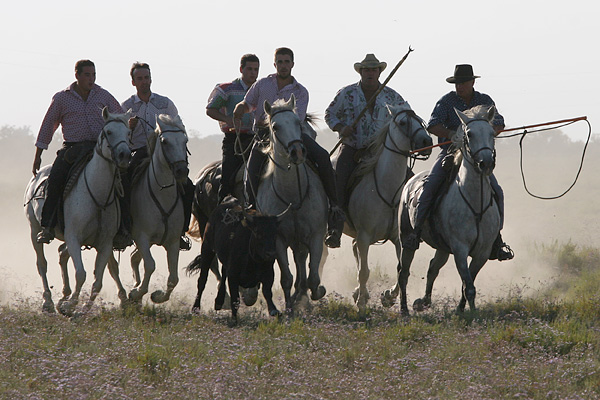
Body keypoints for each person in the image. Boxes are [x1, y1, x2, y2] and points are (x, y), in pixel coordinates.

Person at [232, 47, 345, 248]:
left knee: (322, 157)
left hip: (294, 134)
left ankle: (334, 209)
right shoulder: (261, 84)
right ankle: (252, 209)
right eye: (280, 62)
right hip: (266, 134)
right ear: (274, 64)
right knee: (252, 169)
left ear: (292, 64)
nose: (283, 65)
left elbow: (297, 118)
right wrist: (240, 109)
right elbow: (248, 103)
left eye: (287, 62)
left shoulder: (301, 91)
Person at [402, 64, 514, 261]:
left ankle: (496, 239)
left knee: (497, 191)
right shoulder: (446, 101)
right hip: (449, 152)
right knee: (431, 186)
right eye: (457, 83)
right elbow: (433, 125)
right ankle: (416, 231)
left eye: (463, 82)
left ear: (472, 82)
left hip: (476, 157)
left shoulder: (485, 101)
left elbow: (499, 123)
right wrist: (452, 134)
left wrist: (484, 136)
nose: (459, 86)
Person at [33, 59, 124, 245]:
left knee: (122, 180)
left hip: (98, 148)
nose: (91, 79)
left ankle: (123, 229)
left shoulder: (103, 95)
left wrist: (128, 122)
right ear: (77, 75)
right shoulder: (62, 98)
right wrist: (38, 154)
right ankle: (48, 226)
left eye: (94, 75)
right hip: (72, 149)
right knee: (56, 178)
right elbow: (48, 125)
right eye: (87, 75)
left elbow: (119, 115)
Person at [121, 62, 193, 250]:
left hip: (166, 153)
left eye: (146, 78)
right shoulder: (126, 106)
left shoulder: (165, 103)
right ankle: (125, 228)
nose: (144, 82)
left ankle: (181, 232)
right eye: (140, 79)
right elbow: (119, 138)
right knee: (124, 184)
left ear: (151, 79)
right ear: (133, 82)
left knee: (189, 187)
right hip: (139, 152)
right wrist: (128, 128)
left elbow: (179, 128)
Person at [325, 53, 405, 213]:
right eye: (366, 70)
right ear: (360, 72)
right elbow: (329, 114)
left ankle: (408, 228)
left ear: (379, 72)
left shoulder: (392, 96)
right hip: (353, 149)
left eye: (373, 70)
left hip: (382, 151)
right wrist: (341, 128)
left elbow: (406, 114)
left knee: (408, 180)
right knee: (339, 182)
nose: (370, 73)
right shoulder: (347, 94)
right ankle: (335, 226)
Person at [206, 54, 259, 202]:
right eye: (249, 69)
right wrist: (227, 119)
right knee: (228, 176)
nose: (253, 73)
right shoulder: (227, 89)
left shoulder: (262, 89)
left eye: (256, 69)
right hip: (235, 140)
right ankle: (224, 206)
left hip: (258, 139)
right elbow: (210, 109)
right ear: (241, 69)